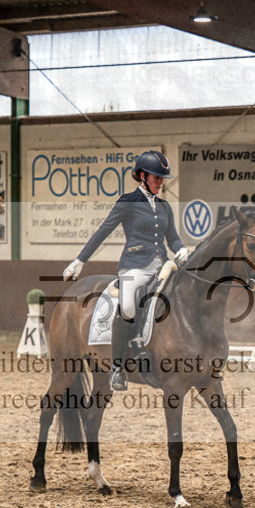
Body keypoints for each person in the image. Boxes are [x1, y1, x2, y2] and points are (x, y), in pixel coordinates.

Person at [63, 150, 190, 390]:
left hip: (162, 266)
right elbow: (104, 230)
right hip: (135, 265)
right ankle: (117, 368)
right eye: (156, 178)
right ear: (143, 176)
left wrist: (181, 248)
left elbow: (172, 237)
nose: (160, 183)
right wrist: (80, 260)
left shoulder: (164, 207)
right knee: (129, 306)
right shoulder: (128, 202)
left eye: (162, 179)